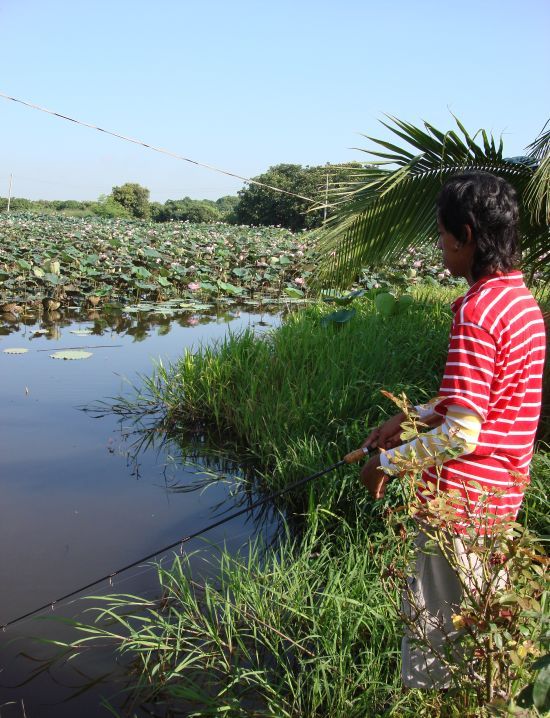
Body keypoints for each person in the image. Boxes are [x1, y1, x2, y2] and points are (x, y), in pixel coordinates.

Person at [359, 171, 546, 688]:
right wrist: (412, 417)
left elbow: (463, 434)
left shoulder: (476, 311)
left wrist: (386, 465)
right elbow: (486, 396)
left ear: (465, 235)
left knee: (445, 649)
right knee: (489, 632)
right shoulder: (520, 303)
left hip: (459, 508)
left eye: (442, 234)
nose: (440, 247)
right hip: (500, 499)